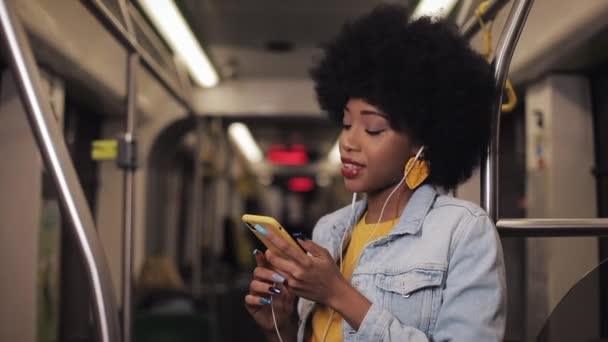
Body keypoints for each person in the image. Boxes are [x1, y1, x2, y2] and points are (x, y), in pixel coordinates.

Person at [244, 4, 505, 341]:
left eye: (373, 128)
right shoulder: (330, 230)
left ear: (421, 141)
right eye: (347, 123)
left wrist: (338, 293)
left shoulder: (463, 232)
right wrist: (279, 325)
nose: (348, 142)